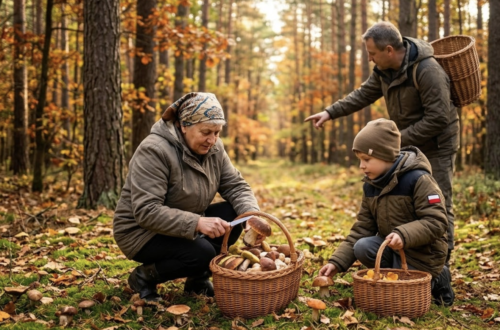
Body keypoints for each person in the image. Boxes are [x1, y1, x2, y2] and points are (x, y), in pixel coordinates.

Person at [305, 21, 458, 264]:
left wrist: (395, 143)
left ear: (388, 50)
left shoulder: (428, 71)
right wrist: (330, 112)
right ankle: (402, 255)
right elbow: (362, 94)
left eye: (372, 53)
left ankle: (440, 267)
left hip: (437, 145)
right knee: (402, 198)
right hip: (403, 143)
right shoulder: (384, 71)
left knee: (438, 202)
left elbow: (438, 118)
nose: (369, 59)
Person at [113, 92, 261, 301]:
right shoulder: (154, 150)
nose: (212, 140)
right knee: (202, 252)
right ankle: (144, 278)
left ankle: (197, 280)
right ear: (184, 126)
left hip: (184, 221)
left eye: (217, 132)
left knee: (234, 215)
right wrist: (197, 222)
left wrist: (251, 215)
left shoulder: (214, 148)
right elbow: (146, 211)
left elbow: (236, 185)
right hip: (141, 232)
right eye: (206, 132)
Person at [318, 118, 454, 306]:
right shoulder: (371, 186)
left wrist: (403, 234)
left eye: (367, 159)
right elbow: (362, 229)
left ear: (387, 156)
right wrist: (337, 262)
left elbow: (436, 221)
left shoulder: (419, 179)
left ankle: (438, 277)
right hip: (392, 249)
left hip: (422, 254)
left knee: (405, 296)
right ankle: (398, 273)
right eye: (360, 160)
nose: (361, 166)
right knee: (362, 246)